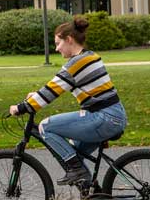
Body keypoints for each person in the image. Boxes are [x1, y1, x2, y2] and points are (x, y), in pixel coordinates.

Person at [9, 17, 128, 185]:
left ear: (69, 40)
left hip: (104, 118)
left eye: (58, 43)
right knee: (73, 156)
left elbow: (52, 90)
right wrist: (36, 95)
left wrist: (21, 108)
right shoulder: (89, 56)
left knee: (45, 126)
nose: (57, 48)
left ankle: (78, 171)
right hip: (112, 115)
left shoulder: (75, 64)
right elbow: (57, 87)